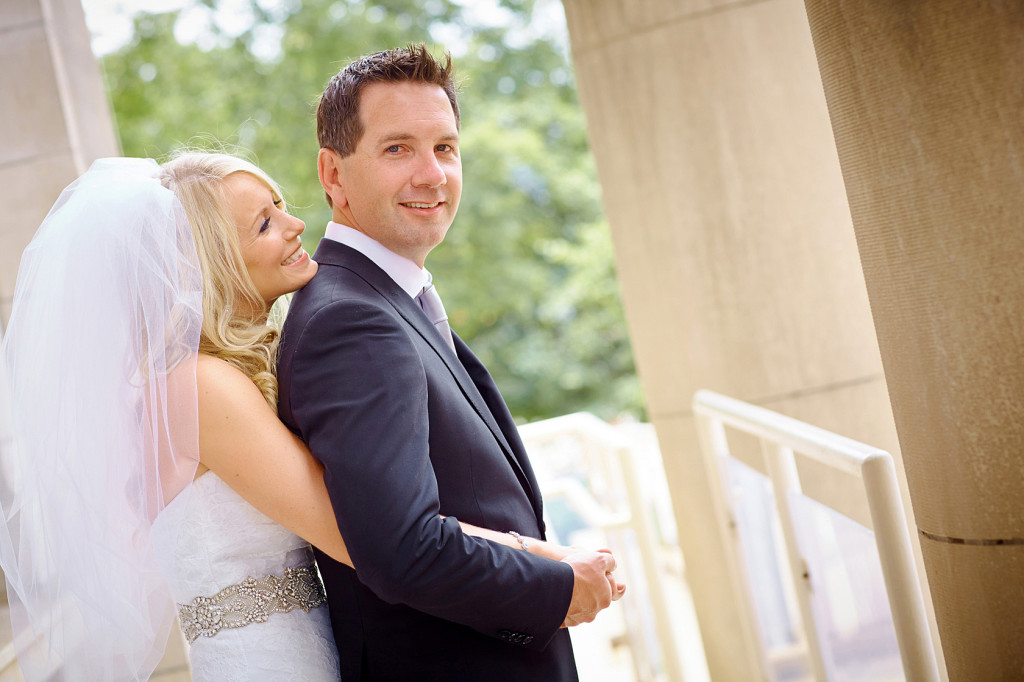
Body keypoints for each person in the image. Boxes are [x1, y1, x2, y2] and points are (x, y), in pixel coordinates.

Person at [0, 151, 596, 680]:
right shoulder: (201, 386)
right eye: (264, 223)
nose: (296, 225)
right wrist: (538, 558)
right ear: (212, 263)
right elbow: (355, 533)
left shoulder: (221, 373)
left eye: (281, 205)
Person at [277, 44, 622, 681]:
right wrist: (553, 587)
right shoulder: (351, 321)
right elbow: (402, 548)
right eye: (397, 149)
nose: (432, 174)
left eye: (445, 148)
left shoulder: (382, 299)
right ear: (332, 174)